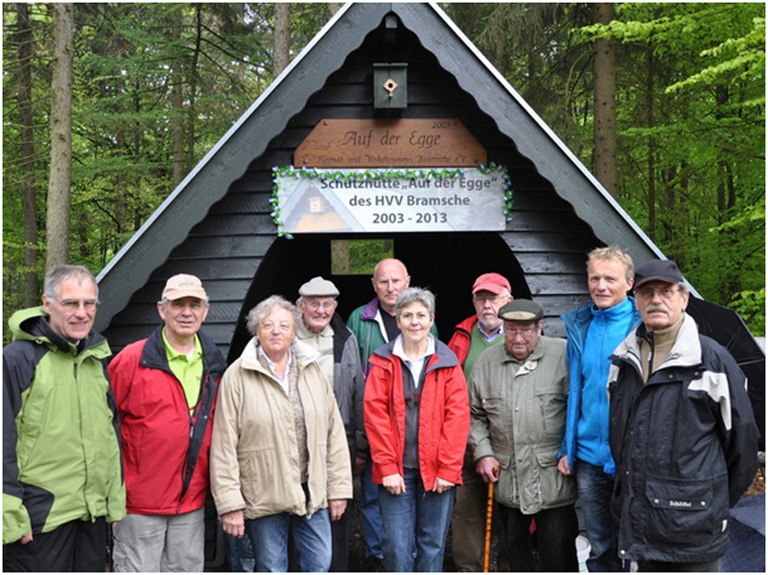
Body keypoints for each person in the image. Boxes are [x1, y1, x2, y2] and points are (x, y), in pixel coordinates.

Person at [608, 259, 759, 572]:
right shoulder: (622, 364)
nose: (656, 299)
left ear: (684, 298)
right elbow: (621, 440)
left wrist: (708, 502)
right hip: (639, 525)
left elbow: (743, 447)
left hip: (694, 530)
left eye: (666, 291)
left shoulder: (712, 360)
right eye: (647, 292)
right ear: (635, 301)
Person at [210, 295, 352, 572]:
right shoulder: (237, 375)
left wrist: (339, 489)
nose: (276, 331)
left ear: (293, 330)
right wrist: (230, 504)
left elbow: (334, 434)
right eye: (268, 324)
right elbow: (223, 444)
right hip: (263, 493)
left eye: (284, 325)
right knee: (272, 567)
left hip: (312, 491)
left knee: (320, 562)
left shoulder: (311, 369)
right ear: (256, 330)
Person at [3, 264, 126, 571]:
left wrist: (111, 501)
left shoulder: (96, 360)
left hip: (91, 516)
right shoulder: (16, 359)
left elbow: (109, 433)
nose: (81, 313)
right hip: (39, 519)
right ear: (47, 304)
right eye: (70, 303)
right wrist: (9, 513)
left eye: (89, 303)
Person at [108, 273, 226, 571]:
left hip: (190, 503)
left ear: (205, 311)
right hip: (138, 504)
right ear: (162, 309)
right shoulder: (131, 360)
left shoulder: (214, 364)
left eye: (194, 305)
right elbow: (104, 427)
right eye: (178, 304)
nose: (187, 312)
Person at [364, 287, 470, 572]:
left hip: (437, 472)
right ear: (397, 320)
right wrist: (387, 467)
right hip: (396, 472)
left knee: (432, 544)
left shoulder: (447, 362)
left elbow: (457, 418)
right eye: (407, 315)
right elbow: (376, 416)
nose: (414, 322)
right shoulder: (382, 360)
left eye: (421, 315)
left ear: (432, 319)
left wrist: (448, 469)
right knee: (397, 547)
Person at [469, 299, 578, 572]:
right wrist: (483, 452)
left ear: (540, 328)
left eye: (526, 331)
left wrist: (570, 450)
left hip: (553, 477)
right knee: (516, 553)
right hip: (508, 477)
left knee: (557, 552)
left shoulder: (563, 355)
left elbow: (580, 410)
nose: (518, 338)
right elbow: (473, 415)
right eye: (511, 330)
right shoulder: (486, 362)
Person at [346, 257, 436, 569]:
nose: (390, 287)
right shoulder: (359, 318)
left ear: (407, 281)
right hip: (375, 422)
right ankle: (379, 555)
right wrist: (360, 435)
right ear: (373, 285)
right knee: (374, 494)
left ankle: (406, 555)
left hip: (413, 427)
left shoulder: (422, 316)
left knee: (413, 498)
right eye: (383, 281)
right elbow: (351, 375)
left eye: (396, 281)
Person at [557, 247, 641, 571]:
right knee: (599, 544)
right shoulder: (579, 327)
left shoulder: (642, 326)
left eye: (610, 279)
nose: (601, 286)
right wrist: (568, 447)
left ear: (629, 283)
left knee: (632, 543)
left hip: (630, 455)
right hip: (590, 455)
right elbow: (574, 390)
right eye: (595, 278)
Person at [294, 276, 364, 572]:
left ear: (335, 306)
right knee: (295, 513)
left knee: (336, 515)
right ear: (300, 306)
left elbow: (358, 392)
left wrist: (360, 446)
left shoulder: (345, 338)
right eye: (313, 304)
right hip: (294, 442)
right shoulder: (284, 334)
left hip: (337, 443)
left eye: (327, 304)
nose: (321, 310)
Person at [447, 272, 513, 572]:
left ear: (508, 300)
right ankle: (469, 568)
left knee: (513, 511)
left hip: (512, 436)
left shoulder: (521, 332)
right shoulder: (461, 335)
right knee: (467, 509)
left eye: (494, 298)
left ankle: (510, 566)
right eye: (481, 298)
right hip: (467, 436)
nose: (487, 305)